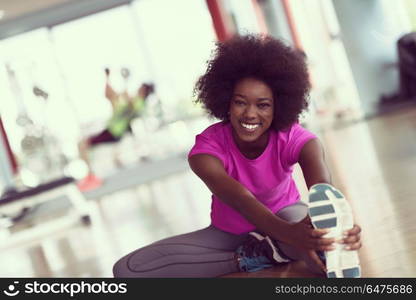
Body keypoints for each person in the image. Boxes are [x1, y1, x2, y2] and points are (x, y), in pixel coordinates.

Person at [112, 34, 362, 278]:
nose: (250, 114)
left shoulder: (295, 139)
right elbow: (243, 201)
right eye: (241, 102)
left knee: (317, 241)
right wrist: (291, 236)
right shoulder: (206, 150)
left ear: (278, 107)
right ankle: (261, 254)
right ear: (227, 103)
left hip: (287, 215)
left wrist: (331, 227)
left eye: (263, 105)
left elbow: (323, 192)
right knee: (128, 269)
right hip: (229, 234)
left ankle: (291, 248)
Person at [77, 68, 155, 192]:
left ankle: (91, 177)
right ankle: (91, 175)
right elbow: (112, 95)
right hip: (112, 131)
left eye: (140, 88)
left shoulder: (138, 103)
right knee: (82, 145)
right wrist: (109, 79)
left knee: (83, 145)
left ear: (144, 91)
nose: (138, 89)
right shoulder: (135, 101)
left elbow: (121, 97)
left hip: (114, 132)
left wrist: (120, 82)